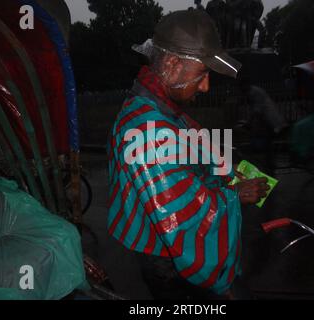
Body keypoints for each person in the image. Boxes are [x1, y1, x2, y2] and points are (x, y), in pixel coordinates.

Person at [107, 9, 269, 299]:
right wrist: (235, 194)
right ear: (172, 64)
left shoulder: (159, 107)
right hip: (167, 259)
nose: (206, 87)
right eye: (203, 74)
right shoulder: (146, 128)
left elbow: (197, 151)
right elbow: (182, 217)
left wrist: (233, 174)